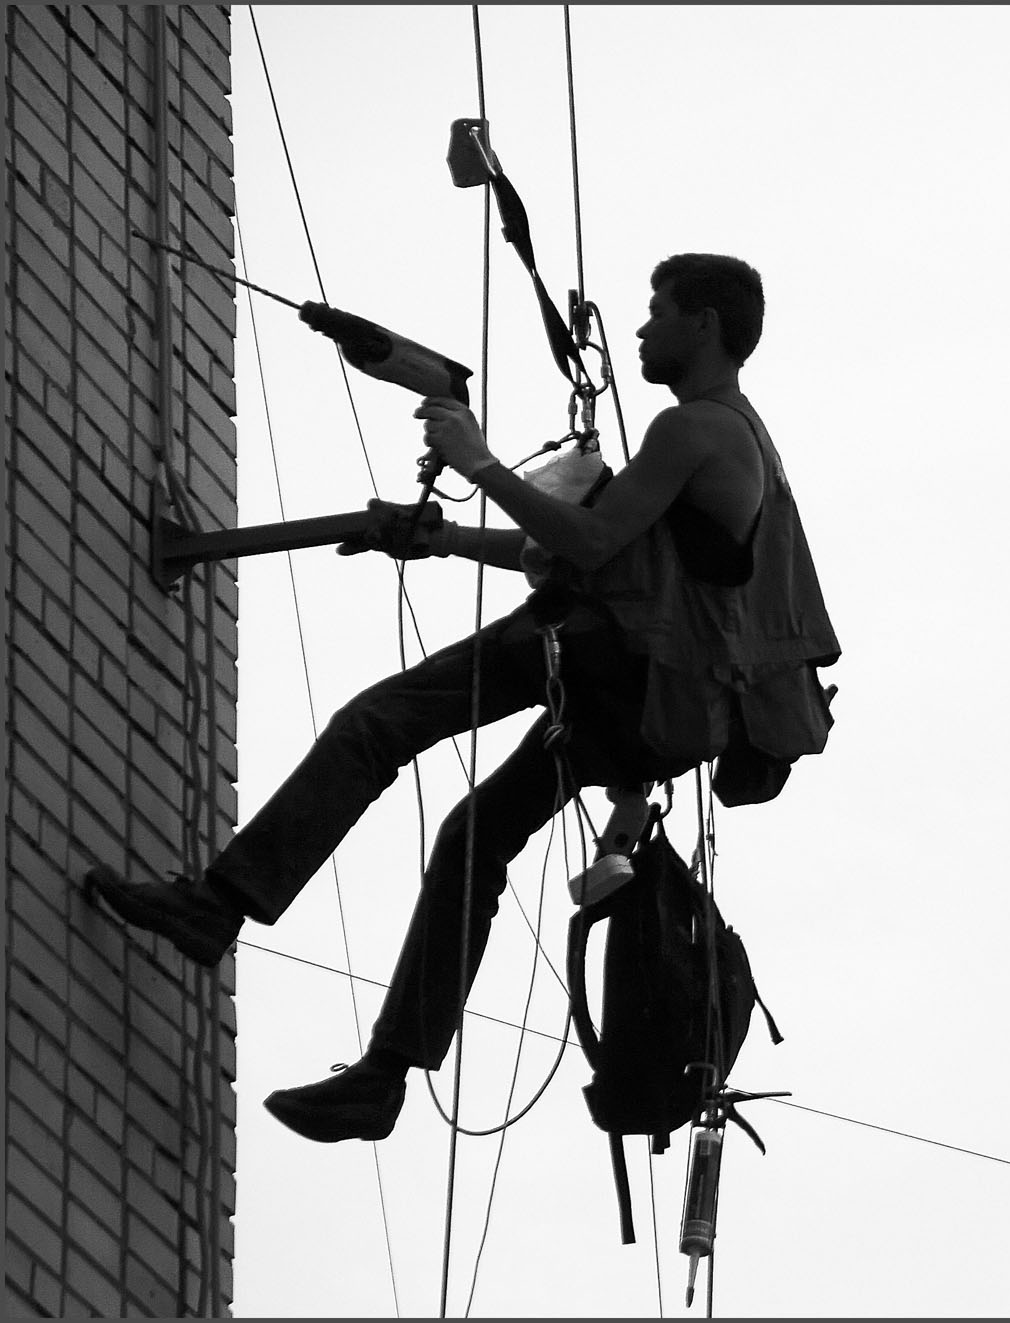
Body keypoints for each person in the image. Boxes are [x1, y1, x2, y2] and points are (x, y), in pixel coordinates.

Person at [86, 254, 840, 1143]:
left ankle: (220, 904)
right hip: (654, 707)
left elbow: (589, 544)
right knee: (473, 838)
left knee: (380, 723)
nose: (643, 329)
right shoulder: (739, 441)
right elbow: (585, 550)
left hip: (613, 663)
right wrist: (445, 539)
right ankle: (385, 1077)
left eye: (658, 311)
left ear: (704, 324)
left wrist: (477, 460)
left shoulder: (695, 429)